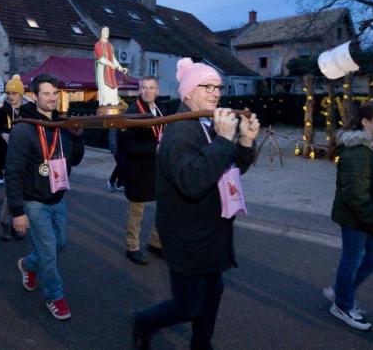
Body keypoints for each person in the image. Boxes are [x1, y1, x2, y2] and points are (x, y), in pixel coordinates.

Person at [133, 58, 260, 350]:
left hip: (213, 228)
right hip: (187, 232)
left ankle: (201, 344)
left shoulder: (209, 123)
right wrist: (225, 140)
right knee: (188, 304)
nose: (216, 93)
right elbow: (192, 182)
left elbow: (231, 169)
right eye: (208, 86)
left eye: (218, 86)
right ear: (188, 92)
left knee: (213, 291)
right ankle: (144, 322)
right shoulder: (179, 131)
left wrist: (244, 142)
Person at [5, 73, 84, 320]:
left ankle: (28, 265)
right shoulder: (24, 129)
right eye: (46, 94)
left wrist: (78, 138)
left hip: (58, 197)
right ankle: (55, 297)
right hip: (34, 202)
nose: (52, 98)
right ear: (34, 96)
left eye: (55, 93)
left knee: (59, 244)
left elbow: (75, 160)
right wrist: (18, 212)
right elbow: (13, 172)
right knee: (49, 251)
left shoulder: (62, 124)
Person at [324, 100, 373, 331]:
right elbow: (355, 196)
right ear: (365, 122)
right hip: (357, 218)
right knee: (352, 260)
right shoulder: (357, 152)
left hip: (370, 216)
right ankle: (342, 305)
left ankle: (340, 290)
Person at [119, 75, 166, 265]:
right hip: (138, 169)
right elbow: (125, 144)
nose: (147, 91)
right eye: (144, 88)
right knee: (136, 211)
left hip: (158, 169)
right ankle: (132, 247)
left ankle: (155, 242)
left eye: (151, 87)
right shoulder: (132, 112)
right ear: (139, 90)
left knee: (163, 207)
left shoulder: (161, 109)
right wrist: (152, 149)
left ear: (157, 90)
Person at [0, 74, 26, 241]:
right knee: (13, 191)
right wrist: (2, 133)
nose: (11, 96)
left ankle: (15, 223)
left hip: (26, 158)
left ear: (21, 94)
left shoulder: (27, 112)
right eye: (9, 93)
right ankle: (6, 223)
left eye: (14, 93)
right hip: (6, 158)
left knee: (22, 191)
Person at [94, 26, 127, 106]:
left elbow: (113, 59)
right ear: (101, 32)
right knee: (105, 88)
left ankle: (114, 103)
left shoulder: (110, 45)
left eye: (108, 31)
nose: (107, 33)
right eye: (105, 31)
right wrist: (111, 65)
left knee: (113, 88)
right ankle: (105, 104)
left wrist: (120, 68)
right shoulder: (98, 45)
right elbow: (101, 59)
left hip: (111, 71)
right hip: (103, 70)